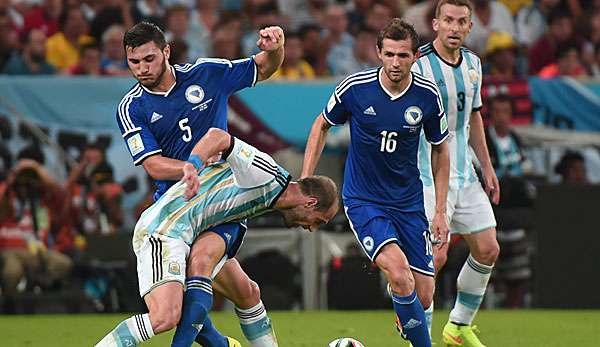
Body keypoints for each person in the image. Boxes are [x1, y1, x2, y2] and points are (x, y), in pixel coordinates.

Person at [115, 21, 284, 347]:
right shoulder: (132, 107)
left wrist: (275, 47)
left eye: (149, 59)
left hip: (221, 199)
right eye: (134, 62)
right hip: (176, 210)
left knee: (243, 292)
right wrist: (189, 169)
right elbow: (152, 164)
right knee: (191, 298)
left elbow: (264, 68)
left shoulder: (207, 74)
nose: (141, 69)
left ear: (166, 51)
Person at [96, 127, 339, 347]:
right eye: (318, 221)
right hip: (164, 231)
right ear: (310, 202)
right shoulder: (267, 174)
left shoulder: (271, 199)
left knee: (248, 293)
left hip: (188, 235)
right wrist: (192, 165)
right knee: (165, 317)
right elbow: (218, 136)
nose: (311, 228)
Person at [301, 18, 450, 347]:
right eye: (390, 54)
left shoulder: (426, 96)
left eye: (403, 56)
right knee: (399, 274)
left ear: (415, 56)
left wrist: (439, 210)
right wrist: (305, 179)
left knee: (423, 296)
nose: (396, 63)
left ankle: (403, 304)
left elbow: (440, 150)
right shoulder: (355, 88)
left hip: (409, 202)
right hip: (365, 200)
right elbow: (321, 125)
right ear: (379, 53)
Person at [411, 1, 501, 346]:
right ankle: (421, 339)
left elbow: (474, 117)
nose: (454, 27)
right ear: (435, 24)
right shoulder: (418, 65)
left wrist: (488, 167)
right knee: (434, 256)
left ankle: (458, 326)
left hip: (465, 175)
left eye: (461, 21)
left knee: (488, 248)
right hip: (428, 176)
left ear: (469, 26)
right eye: (447, 20)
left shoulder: (474, 65)